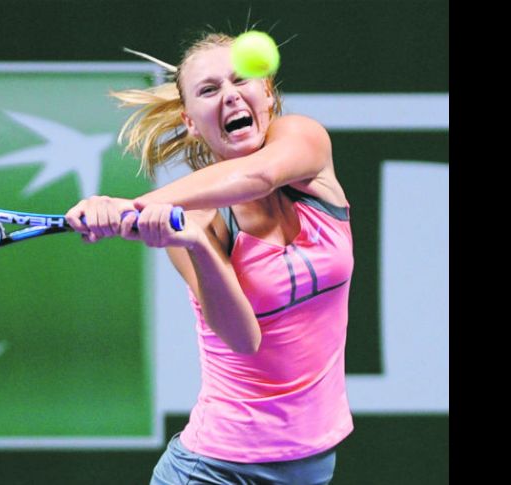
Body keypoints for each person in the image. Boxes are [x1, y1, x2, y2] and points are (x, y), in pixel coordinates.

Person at [66, 31, 353, 485]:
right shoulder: (196, 220)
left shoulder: (305, 141)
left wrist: (129, 207)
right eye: (209, 90)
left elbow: (260, 176)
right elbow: (242, 338)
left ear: (267, 93)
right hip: (214, 469)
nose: (230, 95)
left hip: (311, 465)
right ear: (191, 122)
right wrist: (196, 244)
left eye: (241, 80)